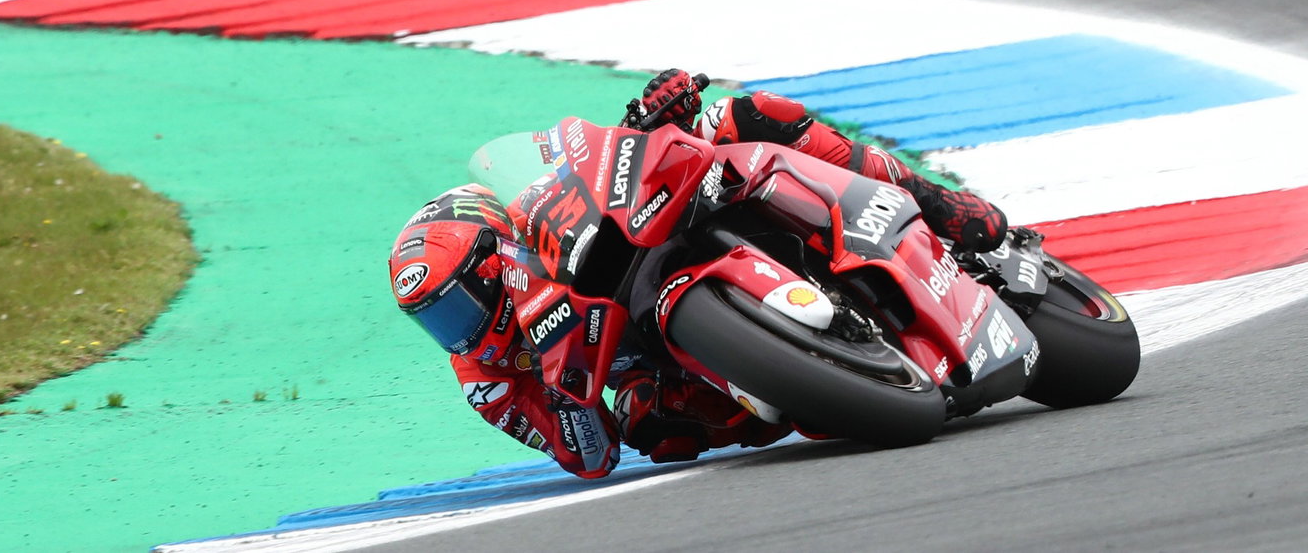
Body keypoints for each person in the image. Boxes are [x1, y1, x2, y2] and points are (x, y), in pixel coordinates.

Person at [389, 183, 788, 480]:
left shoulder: (536, 206)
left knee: (737, 121)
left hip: (663, 253)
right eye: (436, 320)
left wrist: (647, 121)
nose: (460, 331)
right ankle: (792, 398)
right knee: (648, 418)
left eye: (461, 302)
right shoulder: (484, 380)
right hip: (648, 357)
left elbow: (615, 169)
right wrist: (563, 392)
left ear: (492, 260)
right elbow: (592, 459)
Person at [622, 68, 1008, 253]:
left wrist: (685, 123)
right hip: (763, 242)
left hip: (834, 195)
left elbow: (787, 111)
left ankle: (936, 202)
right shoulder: (656, 185)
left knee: (985, 229)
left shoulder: (721, 122)